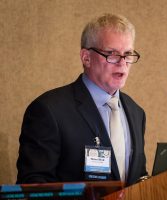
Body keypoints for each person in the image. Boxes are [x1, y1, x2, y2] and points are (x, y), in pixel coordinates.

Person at [16, 13, 148, 186]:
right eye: (112, 54)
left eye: (128, 54)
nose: (122, 63)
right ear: (86, 58)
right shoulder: (49, 110)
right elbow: (34, 184)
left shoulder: (136, 112)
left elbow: (137, 177)